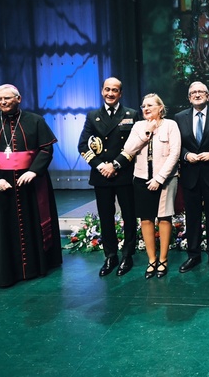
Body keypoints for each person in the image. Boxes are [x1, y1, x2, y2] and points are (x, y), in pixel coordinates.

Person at [0, 84, 62, 288]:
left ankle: (35, 266)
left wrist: (33, 171)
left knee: (31, 222)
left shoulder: (35, 120)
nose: (2, 102)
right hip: (0, 183)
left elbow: (46, 150)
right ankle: (4, 270)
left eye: (7, 98)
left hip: (30, 181)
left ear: (18, 99)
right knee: (3, 226)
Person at [78, 77, 139, 277]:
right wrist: (100, 165)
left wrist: (115, 165)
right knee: (106, 218)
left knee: (129, 216)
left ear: (120, 93)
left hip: (123, 173)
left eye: (114, 90)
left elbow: (135, 145)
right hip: (101, 175)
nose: (110, 93)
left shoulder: (131, 114)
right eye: (107, 90)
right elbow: (83, 145)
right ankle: (110, 256)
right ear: (102, 91)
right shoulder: (92, 115)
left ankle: (127, 255)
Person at [121, 94, 181, 279]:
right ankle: (151, 259)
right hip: (140, 178)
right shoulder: (139, 126)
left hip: (166, 179)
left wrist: (159, 178)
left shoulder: (171, 125)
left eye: (150, 105)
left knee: (164, 218)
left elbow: (175, 154)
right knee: (146, 219)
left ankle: (163, 260)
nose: (145, 108)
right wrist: (146, 132)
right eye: (143, 106)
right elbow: (128, 150)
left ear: (160, 108)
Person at [174, 82, 209, 273]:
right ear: (189, 98)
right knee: (192, 217)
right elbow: (176, 145)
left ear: (208, 96)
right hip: (190, 174)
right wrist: (185, 155)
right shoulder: (179, 118)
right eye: (193, 93)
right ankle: (193, 255)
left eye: (201, 92)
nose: (197, 95)